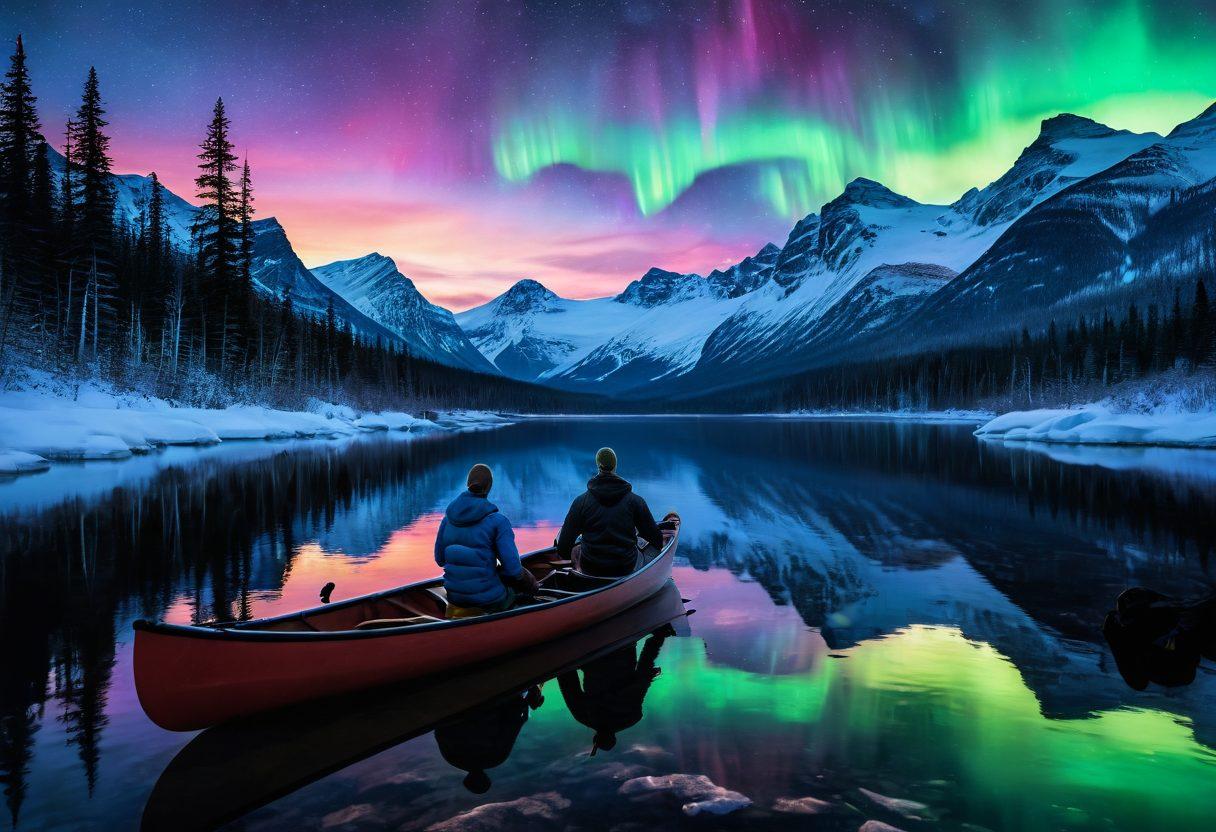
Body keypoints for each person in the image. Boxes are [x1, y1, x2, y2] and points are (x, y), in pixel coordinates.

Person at [434, 463, 538, 618]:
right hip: (489, 600)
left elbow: (440, 560)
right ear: (489, 487)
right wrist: (530, 583)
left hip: (454, 597)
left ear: (468, 484)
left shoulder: (447, 520)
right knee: (527, 586)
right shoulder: (498, 522)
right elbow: (514, 570)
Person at [558, 627, 672, 754]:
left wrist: (657, 639)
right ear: (595, 737)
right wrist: (563, 649)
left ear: (614, 738)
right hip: (592, 650)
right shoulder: (583, 716)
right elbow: (567, 679)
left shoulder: (632, 717)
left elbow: (643, 675)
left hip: (623, 644)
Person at [557, 447, 664, 578]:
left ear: (598, 466)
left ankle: (583, 579)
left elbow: (562, 547)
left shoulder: (581, 502)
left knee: (578, 542)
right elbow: (658, 541)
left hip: (590, 568)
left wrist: (578, 550)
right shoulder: (635, 501)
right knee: (654, 551)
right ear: (615, 466)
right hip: (625, 567)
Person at [434, 685, 545, 793]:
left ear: (486, 778)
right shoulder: (452, 759)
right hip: (459, 709)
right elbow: (439, 732)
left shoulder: (495, 759)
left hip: (495, 705)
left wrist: (525, 705)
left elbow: (514, 725)